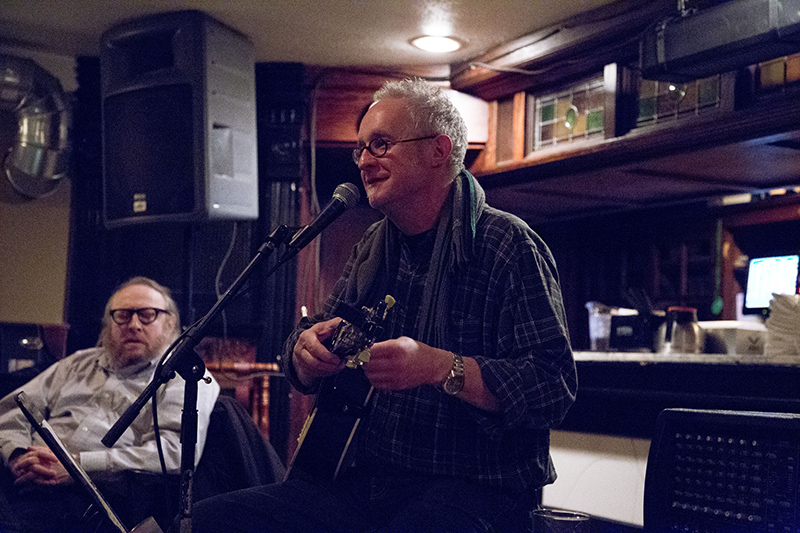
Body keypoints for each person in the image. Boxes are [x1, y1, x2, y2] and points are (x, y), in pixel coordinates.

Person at [191, 78, 577, 532]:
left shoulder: (507, 244)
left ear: (438, 150)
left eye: (380, 144)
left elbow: (553, 385)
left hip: (474, 489)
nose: (364, 161)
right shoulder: (374, 244)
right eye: (360, 150)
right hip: (360, 481)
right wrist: (305, 350)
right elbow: (315, 333)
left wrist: (439, 367)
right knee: (204, 522)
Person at [0, 276, 220, 532]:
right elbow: (11, 411)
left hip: (96, 498)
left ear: (170, 324)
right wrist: (17, 455)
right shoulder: (77, 363)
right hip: (20, 474)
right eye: (123, 315)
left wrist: (79, 466)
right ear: (107, 323)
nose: (134, 325)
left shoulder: (187, 379)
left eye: (148, 315)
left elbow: (174, 452)